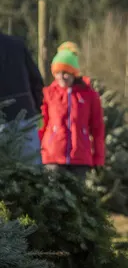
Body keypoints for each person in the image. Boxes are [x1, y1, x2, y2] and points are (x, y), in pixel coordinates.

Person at [39, 42, 106, 180]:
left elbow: (97, 128)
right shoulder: (48, 94)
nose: (61, 77)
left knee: (76, 199)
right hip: (53, 157)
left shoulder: (89, 96)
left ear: (74, 73)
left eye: (65, 73)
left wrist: (98, 157)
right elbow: (42, 124)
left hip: (80, 159)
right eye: (57, 73)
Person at [0, 32, 45, 164]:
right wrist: (35, 110)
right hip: (26, 119)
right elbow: (37, 82)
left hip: (4, 121)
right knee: (32, 176)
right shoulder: (17, 45)